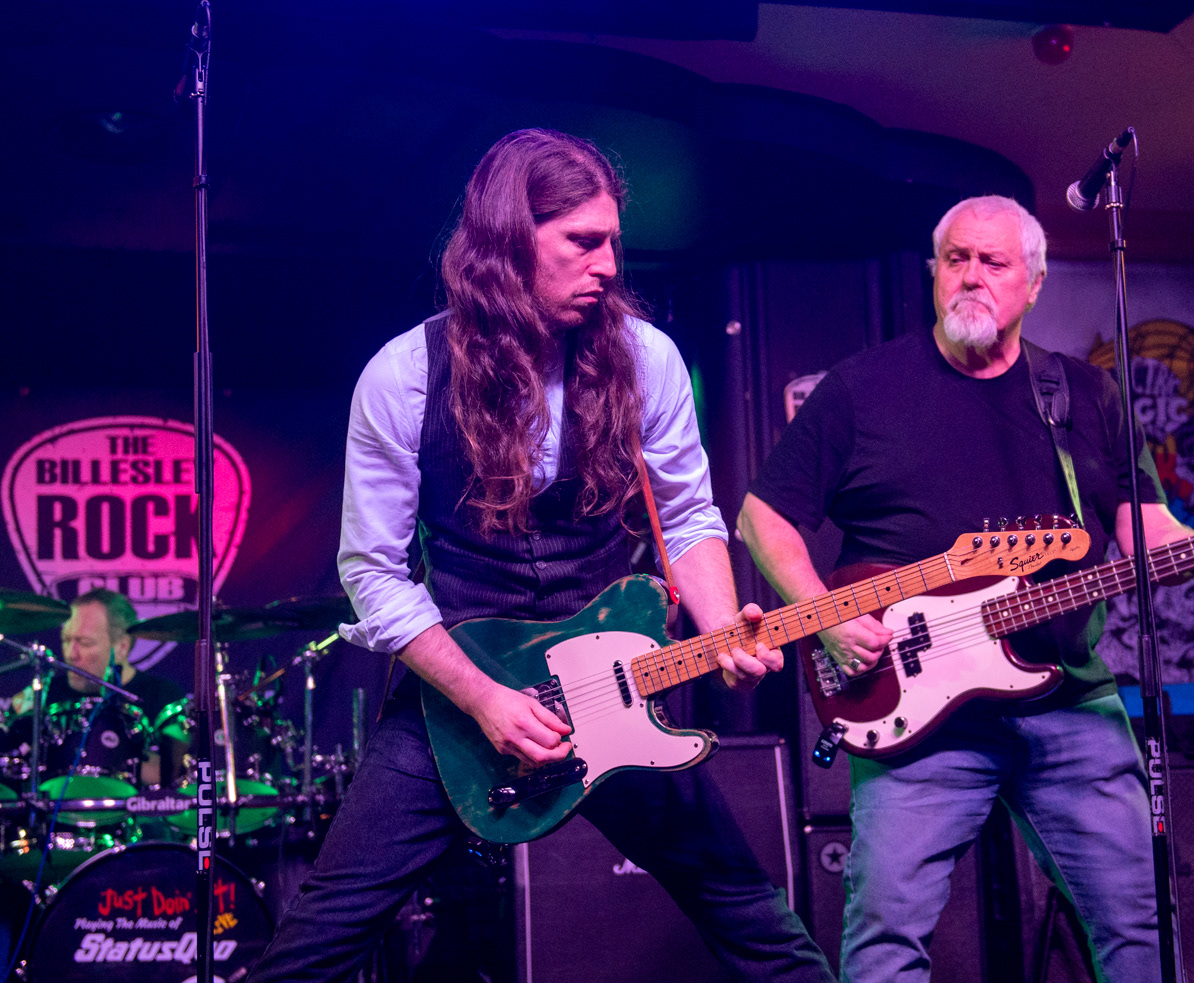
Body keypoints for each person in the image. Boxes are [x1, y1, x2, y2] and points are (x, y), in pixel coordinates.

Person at [247, 129, 835, 982]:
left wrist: (722, 626)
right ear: (510, 240)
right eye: (583, 242)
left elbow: (686, 512)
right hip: (460, 694)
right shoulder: (404, 375)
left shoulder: (646, 358)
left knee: (755, 920)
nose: (608, 266)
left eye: (614, 243)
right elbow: (372, 571)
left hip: (615, 686)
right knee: (318, 941)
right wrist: (485, 698)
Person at [738, 195, 1194, 982]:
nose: (971, 276)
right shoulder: (862, 388)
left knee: (1141, 926)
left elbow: (1143, 532)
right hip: (914, 710)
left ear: (1033, 282)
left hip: (1070, 699)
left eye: (992, 262)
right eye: (955, 259)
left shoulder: (1085, 395)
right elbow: (762, 518)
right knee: (886, 940)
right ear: (933, 272)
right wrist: (824, 614)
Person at [11, 587, 185, 787]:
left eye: (84, 642)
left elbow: (177, 776)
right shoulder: (44, 693)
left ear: (121, 647)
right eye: (66, 640)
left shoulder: (162, 696)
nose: (71, 654)